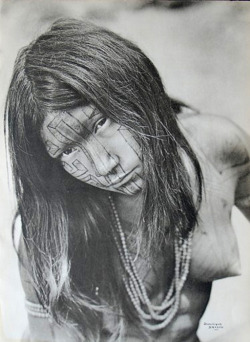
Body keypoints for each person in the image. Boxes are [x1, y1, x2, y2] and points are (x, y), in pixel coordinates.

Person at [5, 18, 250, 342]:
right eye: (67, 150)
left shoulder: (216, 151)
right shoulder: (50, 232)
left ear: (135, 91)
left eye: (101, 122)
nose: (103, 165)